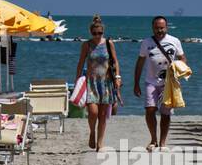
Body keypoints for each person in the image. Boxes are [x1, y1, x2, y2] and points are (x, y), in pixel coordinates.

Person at [133, 16, 188, 151]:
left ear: (166, 27)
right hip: (150, 81)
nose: (159, 30)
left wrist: (181, 70)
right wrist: (136, 83)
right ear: (153, 28)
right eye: (157, 28)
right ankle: (153, 140)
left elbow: (182, 58)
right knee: (150, 109)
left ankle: (163, 142)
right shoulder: (146, 42)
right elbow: (140, 63)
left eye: (162, 27)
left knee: (165, 112)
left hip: (168, 83)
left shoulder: (174, 41)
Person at [74, 15, 120, 151]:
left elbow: (115, 61)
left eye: (100, 33)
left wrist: (117, 77)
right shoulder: (86, 45)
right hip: (91, 82)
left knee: (103, 115)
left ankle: (100, 142)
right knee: (93, 112)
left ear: (103, 32)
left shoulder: (108, 44)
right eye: (94, 33)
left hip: (106, 83)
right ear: (90, 33)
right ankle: (92, 133)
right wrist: (77, 80)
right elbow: (81, 63)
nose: (97, 35)